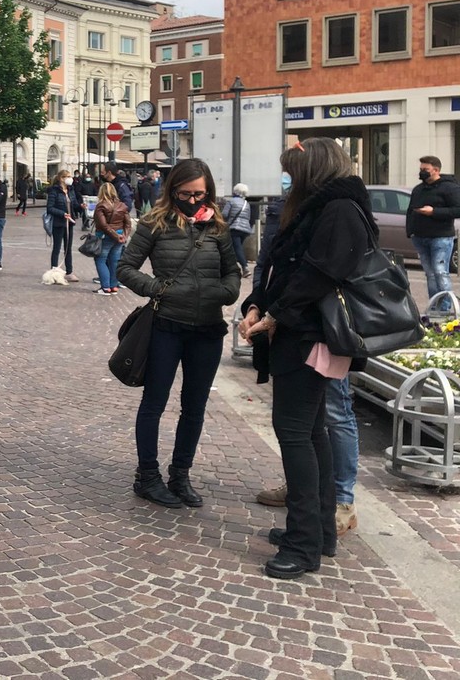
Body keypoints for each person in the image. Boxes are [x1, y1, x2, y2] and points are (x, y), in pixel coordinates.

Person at [239, 138, 375, 579]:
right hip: (302, 332)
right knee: (312, 432)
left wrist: (275, 314)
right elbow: (281, 268)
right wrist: (257, 304)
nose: (288, 178)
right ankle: (317, 531)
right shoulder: (322, 208)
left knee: (296, 433)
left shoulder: (338, 210)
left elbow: (317, 274)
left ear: (312, 171)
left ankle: (303, 544)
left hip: (311, 336)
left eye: (293, 171)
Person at [118, 158, 240, 511]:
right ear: (172, 191)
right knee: (154, 404)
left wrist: (225, 293)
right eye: (185, 193)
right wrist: (158, 289)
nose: (192, 199)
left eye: (199, 193)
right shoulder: (154, 223)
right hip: (166, 325)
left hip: (207, 329)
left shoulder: (217, 225)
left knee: (195, 407)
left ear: (209, 192)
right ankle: (147, 477)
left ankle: (180, 474)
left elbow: (233, 273)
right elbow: (125, 267)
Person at [406, 155, 460, 312]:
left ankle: (445, 308)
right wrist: (410, 232)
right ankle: (434, 306)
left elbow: (457, 210)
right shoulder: (418, 189)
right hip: (421, 237)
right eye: (421, 169)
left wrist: (434, 212)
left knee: (440, 272)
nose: (422, 172)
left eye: (425, 170)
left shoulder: (449, 188)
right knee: (430, 274)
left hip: (441, 237)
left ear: (436, 170)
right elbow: (410, 211)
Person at [92, 182, 131, 295]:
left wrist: (115, 235)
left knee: (100, 260)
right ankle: (113, 286)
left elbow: (103, 225)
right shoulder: (122, 205)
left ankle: (105, 287)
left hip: (106, 236)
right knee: (115, 261)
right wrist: (124, 236)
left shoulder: (101, 205)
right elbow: (128, 223)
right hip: (119, 234)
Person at [47, 170, 81, 280]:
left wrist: (81, 206)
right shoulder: (54, 191)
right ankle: (54, 271)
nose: (70, 178)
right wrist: (62, 214)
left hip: (69, 223)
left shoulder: (71, 190)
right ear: (61, 178)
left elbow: (74, 204)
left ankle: (69, 272)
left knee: (68, 248)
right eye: (68, 176)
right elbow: (50, 208)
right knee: (57, 248)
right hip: (59, 223)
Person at [223, 183, 253, 279]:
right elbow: (248, 217)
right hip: (245, 229)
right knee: (236, 248)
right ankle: (233, 268)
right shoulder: (246, 204)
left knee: (236, 248)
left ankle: (245, 267)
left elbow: (224, 214)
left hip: (234, 228)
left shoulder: (231, 202)